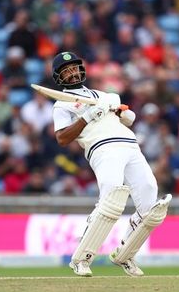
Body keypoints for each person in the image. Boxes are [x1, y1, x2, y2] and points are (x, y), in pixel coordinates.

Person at [50, 51, 172, 277]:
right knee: (111, 201)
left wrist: (124, 114)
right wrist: (87, 117)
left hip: (130, 144)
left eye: (74, 68)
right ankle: (81, 259)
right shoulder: (62, 104)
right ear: (59, 77)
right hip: (102, 147)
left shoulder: (101, 94)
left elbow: (124, 118)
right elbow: (62, 138)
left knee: (150, 199)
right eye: (66, 71)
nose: (72, 73)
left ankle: (125, 255)